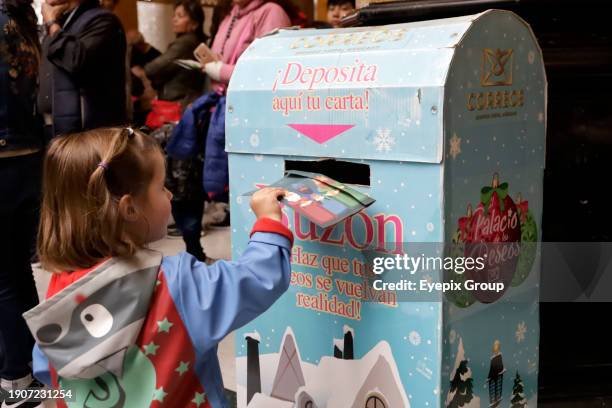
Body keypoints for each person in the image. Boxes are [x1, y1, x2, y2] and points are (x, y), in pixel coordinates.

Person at [24, 127, 292, 408]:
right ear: (129, 209)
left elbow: (48, 369)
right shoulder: (175, 283)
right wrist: (269, 222)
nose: (170, 195)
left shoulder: (60, 287)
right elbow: (258, 279)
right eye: (162, 186)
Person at [0, 0, 46, 405]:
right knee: (17, 270)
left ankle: (15, 378)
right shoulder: (22, 17)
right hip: (26, 156)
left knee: (4, 277)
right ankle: (33, 367)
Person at [39, 0, 128, 138]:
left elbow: (75, 60)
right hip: (50, 128)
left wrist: (51, 23)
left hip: (88, 132)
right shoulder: (62, 21)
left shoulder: (103, 20)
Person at [142, 0, 206, 106]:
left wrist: (143, 73)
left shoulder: (186, 42)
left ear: (194, 24)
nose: (174, 20)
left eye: (180, 16)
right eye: (174, 15)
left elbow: (153, 69)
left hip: (179, 103)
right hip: (182, 100)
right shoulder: (192, 41)